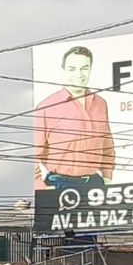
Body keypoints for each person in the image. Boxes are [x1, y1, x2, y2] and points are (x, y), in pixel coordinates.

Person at [34, 43, 114, 188]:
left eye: (84, 68)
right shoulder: (46, 107)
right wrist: (40, 187)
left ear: (90, 69)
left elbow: (107, 144)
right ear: (64, 70)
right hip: (59, 184)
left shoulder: (101, 104)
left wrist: (108, 176)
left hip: (94, 183)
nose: (79, 74)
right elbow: (32, 153)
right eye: (72, 69)